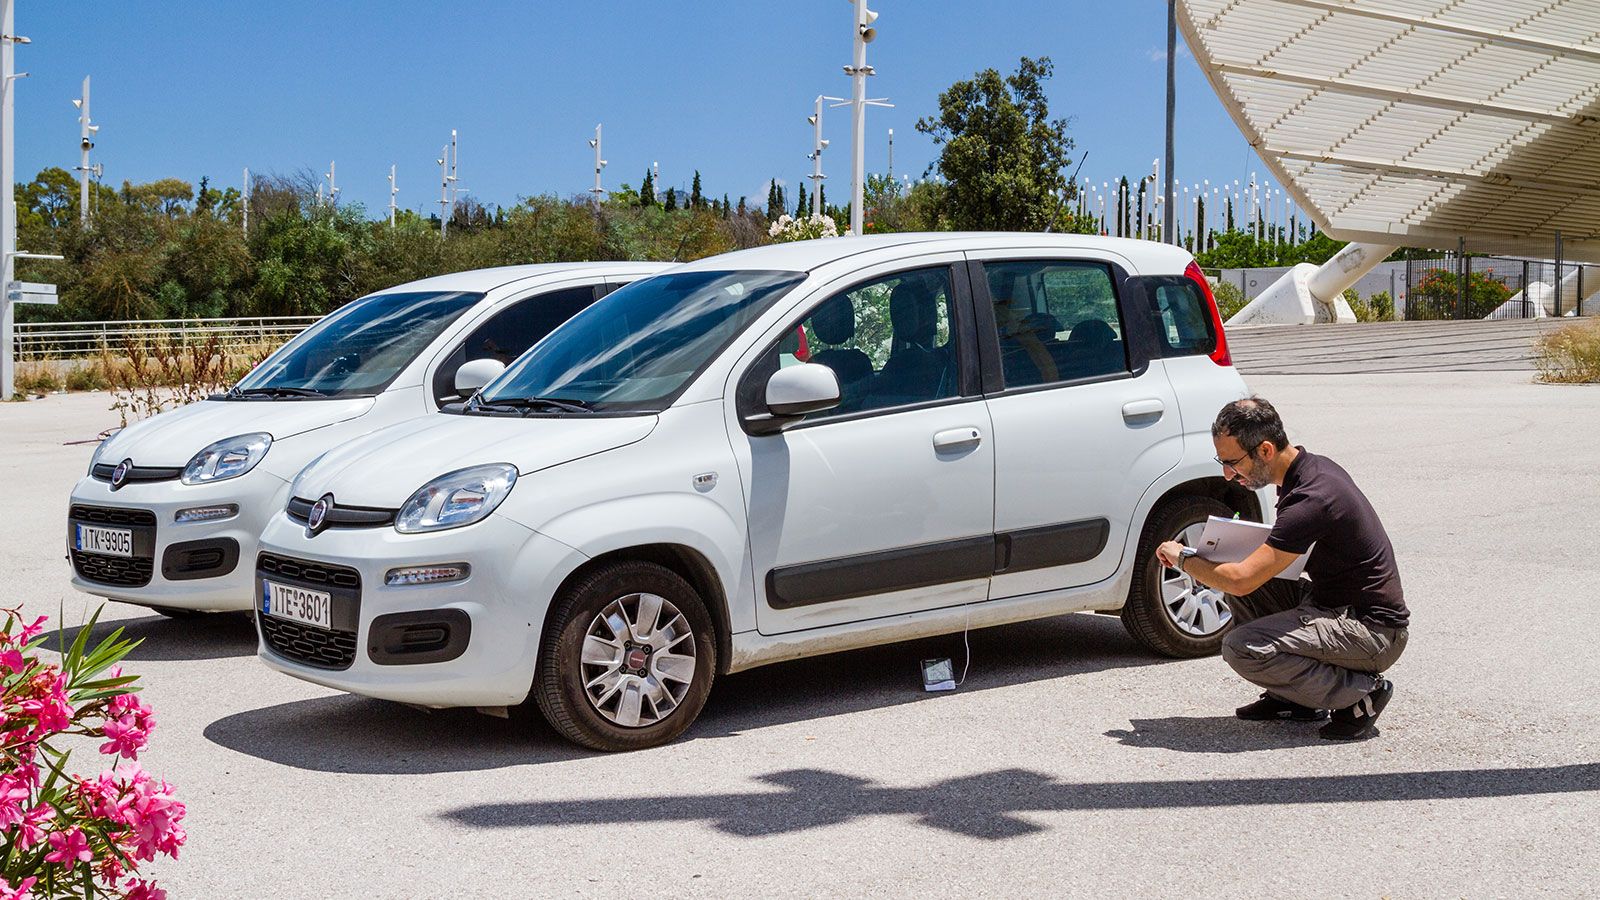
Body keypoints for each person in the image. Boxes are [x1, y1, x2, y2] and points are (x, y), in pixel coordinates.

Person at [1155, 397, 1410, 741]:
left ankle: (1360, 695)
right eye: (1222, 461)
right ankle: (1295, 698)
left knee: (1242, 647)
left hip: (1373, 633)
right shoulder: (1310, 469)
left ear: (1264, 451)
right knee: (1239, 578)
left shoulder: (1311, 499)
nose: (1227, 474)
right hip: (1336, 606)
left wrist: (1185, 557)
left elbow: (1243, 580)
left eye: (1232, 463)